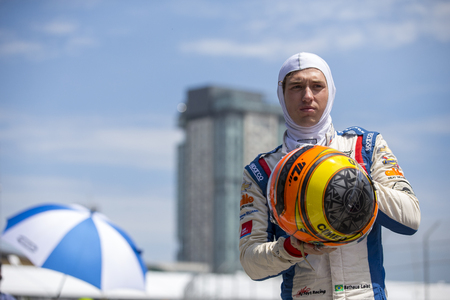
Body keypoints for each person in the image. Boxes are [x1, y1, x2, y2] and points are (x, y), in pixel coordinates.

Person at [239, 52, 420, 299]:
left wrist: (356, 185)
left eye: (317, 86)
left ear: (331, 91)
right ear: (282, 94)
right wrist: (291, 248)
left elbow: (411, 218)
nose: (307, 96)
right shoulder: (262, 172)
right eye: (296, 87)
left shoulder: (366, 147)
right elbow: (251, 262)